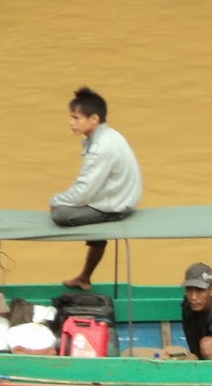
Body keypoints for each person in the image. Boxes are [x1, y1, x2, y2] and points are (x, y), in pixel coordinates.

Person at [50, 86, 143, 290]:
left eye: (76, 117)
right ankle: (85, 277)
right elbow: (89, 185)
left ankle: (85, 275)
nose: (71, 122)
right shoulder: (104, 137)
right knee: (75, 208)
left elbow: (84, 190)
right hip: (115, 197)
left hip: (116, 205)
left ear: (94, 119)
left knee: (61, 215)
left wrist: (57, 201)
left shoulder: (102, 147)